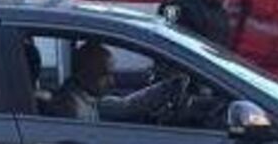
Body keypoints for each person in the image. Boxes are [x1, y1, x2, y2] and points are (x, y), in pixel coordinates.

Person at [51, 41, 184, 124]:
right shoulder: (75, 110)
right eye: (105, 75)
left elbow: (126, 106)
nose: (112, 81)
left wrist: (168, 87)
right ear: (87, 74)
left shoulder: (85, 97)